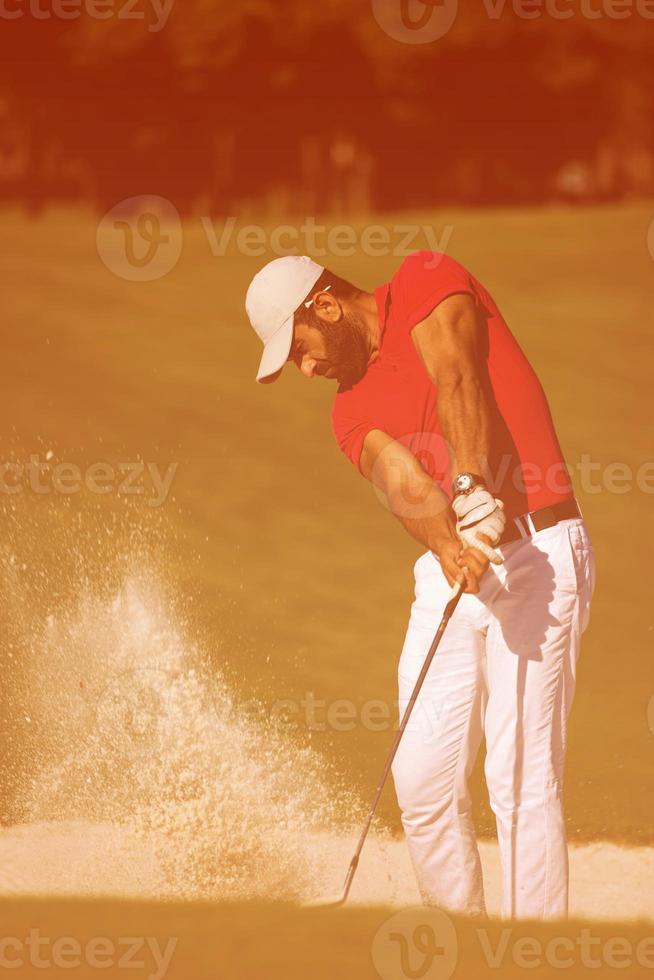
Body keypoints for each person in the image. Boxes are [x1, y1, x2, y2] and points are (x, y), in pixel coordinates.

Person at [244, 251, 595, 919]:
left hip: (539, 555)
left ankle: (533, 954)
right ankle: (461, 940)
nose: (307, 368)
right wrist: (449, 543)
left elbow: (459, 377)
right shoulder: (347, 413)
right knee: (423, 774)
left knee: (517, 770)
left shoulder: (425, 280)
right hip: (458, 571)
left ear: (325, 304)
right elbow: (404, 485)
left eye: (299, 350)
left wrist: (471, 487)